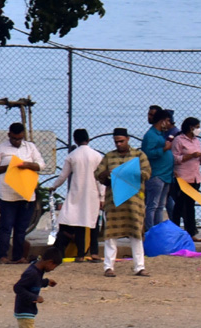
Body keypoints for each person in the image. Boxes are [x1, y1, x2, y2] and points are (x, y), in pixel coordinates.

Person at [94, 128, 151, 277]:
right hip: (114, 202)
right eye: (116, 142)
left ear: (128, 139)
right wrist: (104, 175)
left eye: (121, 141)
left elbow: (147, 173)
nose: (119, 144)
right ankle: (108, 267)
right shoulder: (109, 156)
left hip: (134, 202)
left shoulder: (139, 155)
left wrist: (128, 172)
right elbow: (98, 173)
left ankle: (139, 267)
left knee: (136, 234)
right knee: (111, 235)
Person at [0, 122, 44, 264]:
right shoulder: (0, 149)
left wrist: (26, 165)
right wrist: (8, 167)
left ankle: (18, 257)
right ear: (9, 135)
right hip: (7, 194)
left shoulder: (30, 147)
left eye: (19, 139)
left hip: (26, 193)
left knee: (21, 228)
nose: (17, 142)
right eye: (14, 139)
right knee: (6, 226)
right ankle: (3, 256)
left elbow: (41, 165)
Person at [50, 128, 103, 261]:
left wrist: (53, 186)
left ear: (75, 140)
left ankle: (80, 254)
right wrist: (102, 196)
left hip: (77, 193)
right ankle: (94, 252)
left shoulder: (72, 156)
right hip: (93, 194)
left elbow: (63, 176)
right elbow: (100, 179)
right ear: (88, 139)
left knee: (79, 224)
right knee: (93, 224)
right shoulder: (97, 156)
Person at [13, 248, 61, 328]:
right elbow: (18, 288)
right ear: (50, 262)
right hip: (25, 311)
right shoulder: (32, 273)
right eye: (54, 266)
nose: (52, 269)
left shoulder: (37, 271)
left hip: (26, 310)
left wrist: (46, 282)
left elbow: (34, 283)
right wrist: (34, 297)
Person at [168, 116, 201, 241]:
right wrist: (190, 156)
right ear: (191, 127)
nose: (198, 130)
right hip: (182, 177)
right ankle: (175, 232)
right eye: (197, 127)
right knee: (179, 206)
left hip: (195, 177)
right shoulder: (179, 140)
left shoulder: (196, 141)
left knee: (190, 206)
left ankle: (191, 233)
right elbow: (175, 158)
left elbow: (197, 159)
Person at [141, 108, 175, 231]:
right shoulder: (151, 135)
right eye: (167, 121)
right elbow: (147, 154)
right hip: (156, 174)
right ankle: (150, 229)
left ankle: (158, 229)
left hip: (166, 174)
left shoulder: (161, 134)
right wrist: (163, 149)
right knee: (152, 205)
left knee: (161, 206)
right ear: (161, 121)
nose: (168, 123)